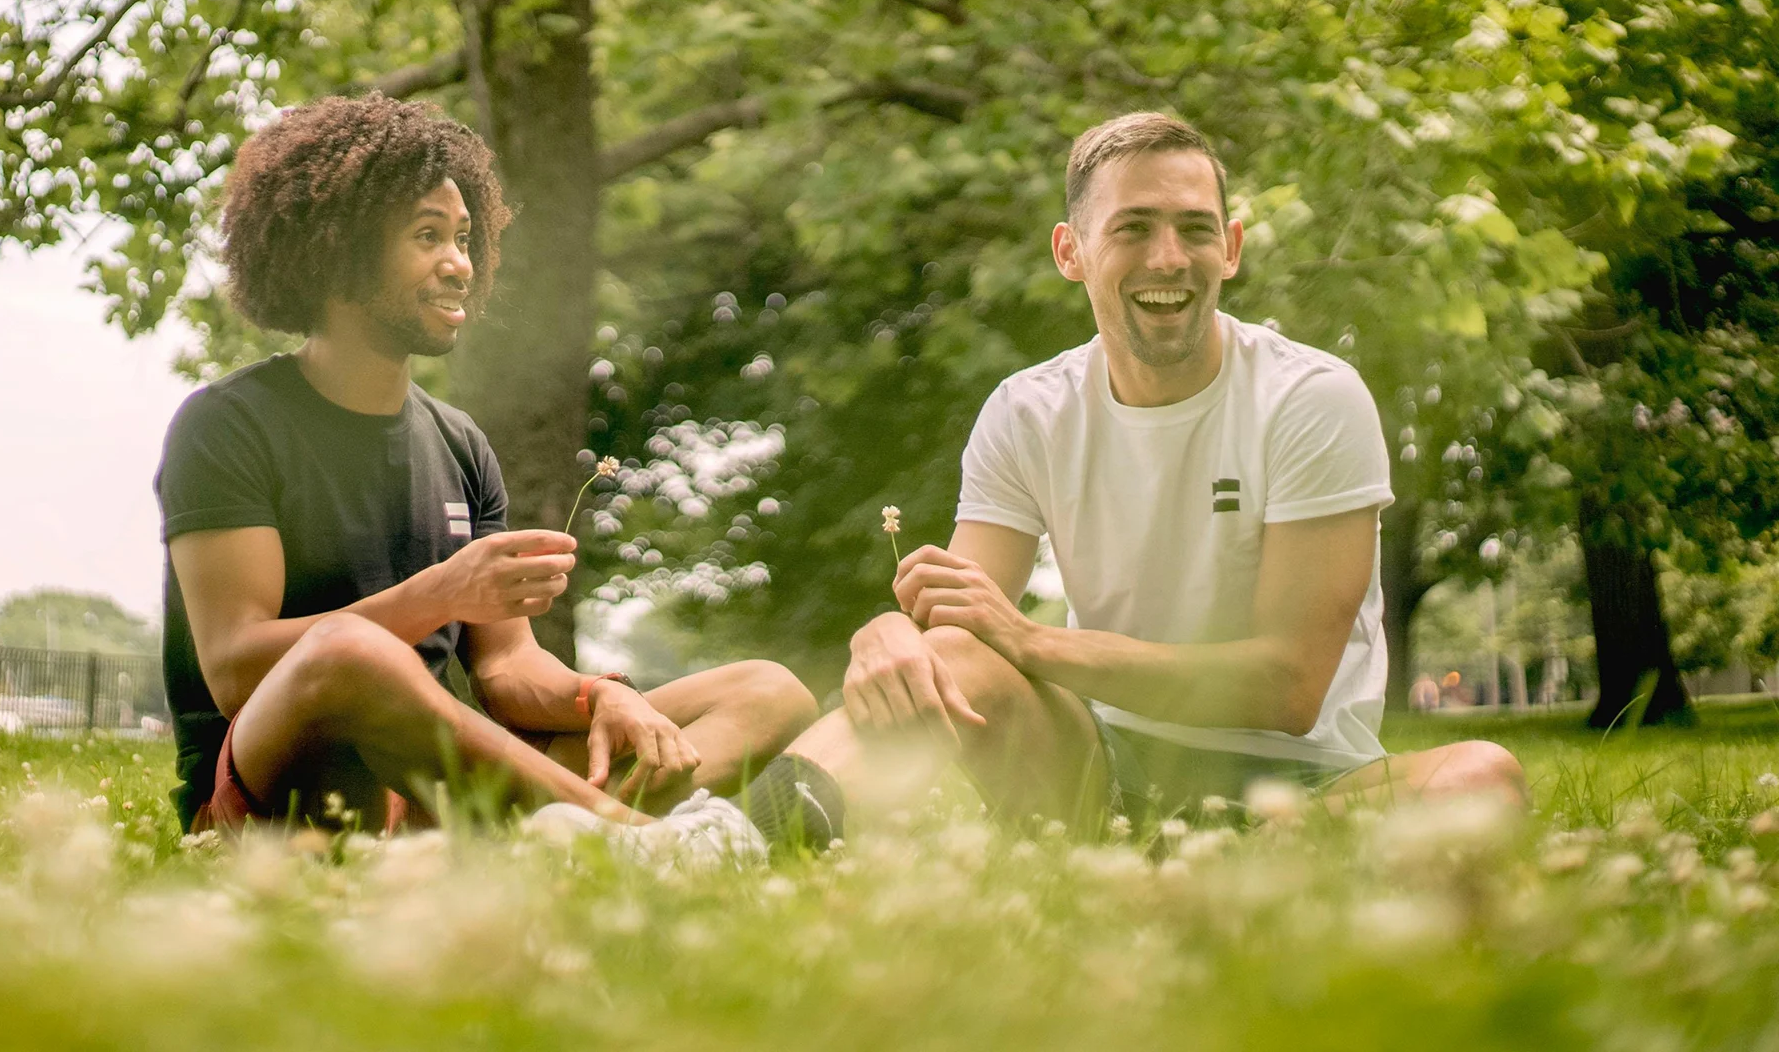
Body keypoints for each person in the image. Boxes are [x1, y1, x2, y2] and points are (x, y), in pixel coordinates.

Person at [544, 111, 1526, 858]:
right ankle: (720, 849)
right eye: (1131, 228)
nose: (1167, 258)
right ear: (1072, 253)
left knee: (1478, 774)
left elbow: (1284, 686)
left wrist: (1027, 639)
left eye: (1193, 228)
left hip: (1306, 787)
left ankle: (1240, 880)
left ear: (1230, 247)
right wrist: (890, 635)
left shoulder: (1311, 399)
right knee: (948, 665)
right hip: (1098, 772)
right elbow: (962, 631)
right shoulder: (1028, 409)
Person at [156, 94, 815, 844]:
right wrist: (442, 590)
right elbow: (236, 669)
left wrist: (599, 695)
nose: (459, 265)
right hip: (277, 794)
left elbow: (505, 670)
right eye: (428, 236)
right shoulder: (227, 425)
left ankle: (572, 840)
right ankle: (630, 839)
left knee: (767, 690)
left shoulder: (460, 443)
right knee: (347, 653)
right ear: (339, 249)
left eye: (465, 238)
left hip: (428, 788)